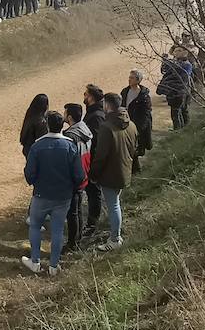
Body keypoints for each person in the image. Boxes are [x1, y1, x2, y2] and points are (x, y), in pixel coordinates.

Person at [21, 112, 83, 276]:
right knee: (57, 230)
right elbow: (79, 175)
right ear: (62, 125)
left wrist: (36, 183)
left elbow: (29, 173)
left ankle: (35, 261)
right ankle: (54, 266)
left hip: (41, 194)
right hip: (63, 196)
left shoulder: (37, 146)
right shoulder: (70, 146)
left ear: (47, 124)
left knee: (35, 226)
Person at [89, 92, 139, 252]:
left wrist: (94, 174)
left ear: (107, 105)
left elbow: (100, 155)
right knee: (115, 203)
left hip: (110, 173)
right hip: (124, 168)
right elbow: (134, 147)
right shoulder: (131, 124)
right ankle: (115, 234)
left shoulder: (106, 127)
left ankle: (115, 238)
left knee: (113, 205)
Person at [61, 103, 95, 252]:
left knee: (72, 212)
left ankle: (72, 244)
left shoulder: (69, 136)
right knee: (78, 209)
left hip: (74, 177)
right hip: (84, 173)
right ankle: (78, 238)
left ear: (69, 117)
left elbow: (68, 158)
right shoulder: (85, 129)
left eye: (65, 113)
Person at [120, 71, 153, 173]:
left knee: (134, 149)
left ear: (138, 80)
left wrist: (139, 128)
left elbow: (146, 113)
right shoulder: (125, 91)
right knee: (130, 148)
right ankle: (135, 170)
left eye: (132, 78)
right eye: (129, 77)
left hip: (138, 126)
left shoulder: (144, 96)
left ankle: (136, 171)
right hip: (127, 124)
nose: (129, 79)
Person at [19, 93, 50, 158]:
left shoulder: (30, 114)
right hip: (35, 151)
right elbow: (42, 139)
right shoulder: (41, 121)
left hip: (27, 148)